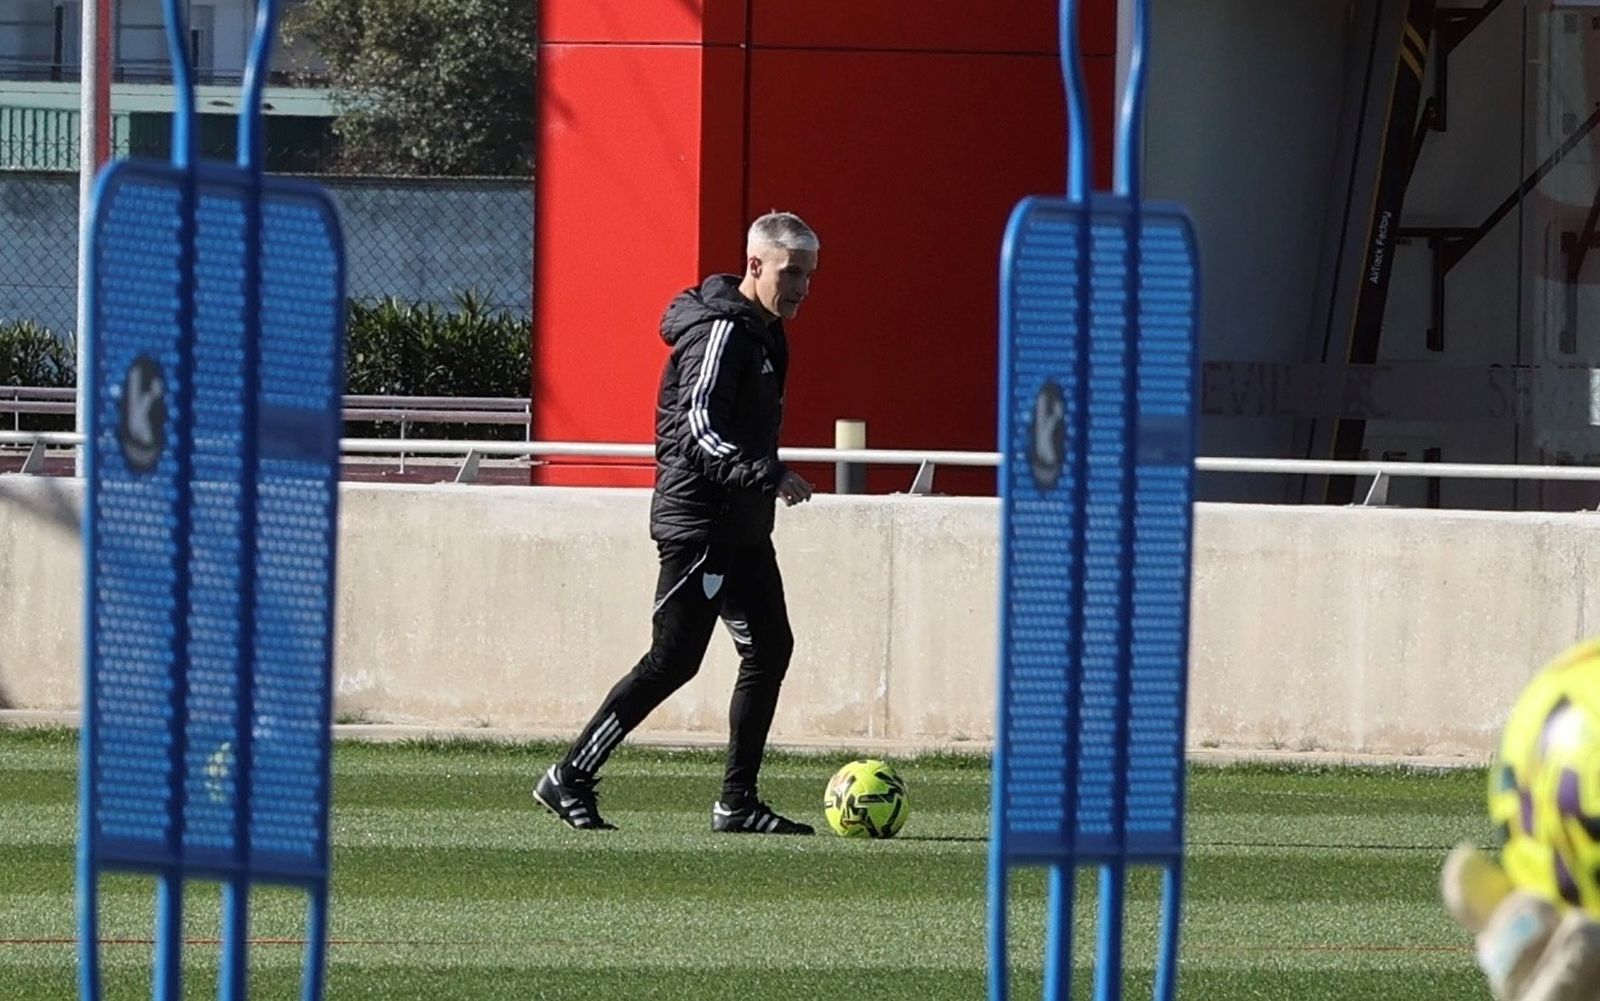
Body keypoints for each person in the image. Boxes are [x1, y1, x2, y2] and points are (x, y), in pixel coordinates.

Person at [533, 211, 820, 834]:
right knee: (673, 661)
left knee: (770, 648)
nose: (802, 287)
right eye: (791, 272)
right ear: (755, 266)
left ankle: (737, 803)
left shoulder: (766, 333)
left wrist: (760, 481)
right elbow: (698, 431)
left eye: (808, 274)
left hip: (743, 528)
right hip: (701, 525)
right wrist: (765, 474)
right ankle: (568, 776)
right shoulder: (722, 333)